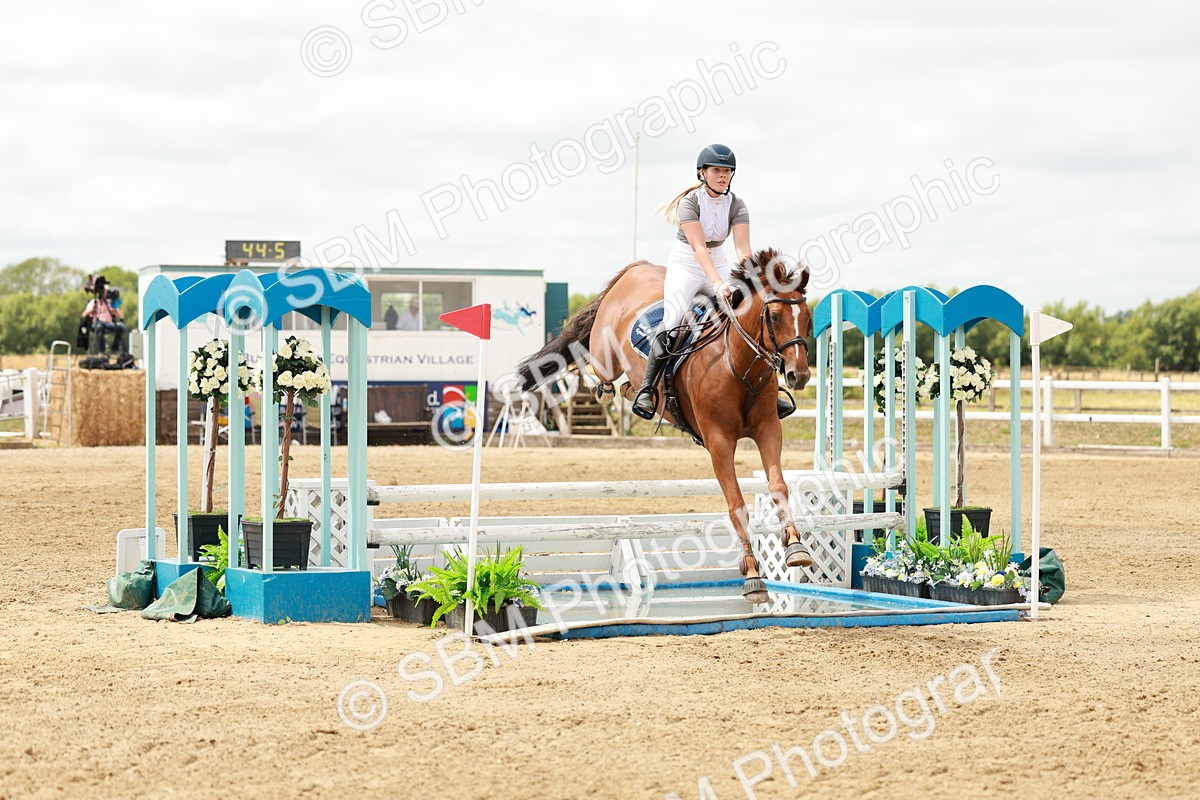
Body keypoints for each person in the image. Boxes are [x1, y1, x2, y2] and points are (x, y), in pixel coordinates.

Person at [631, 143, 751, 420]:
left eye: (727, 171)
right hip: (686, 264)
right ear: (702, 173)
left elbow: (743, 249)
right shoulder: (690, 203)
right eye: (717, 170)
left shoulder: (737, 204)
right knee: (673, 320)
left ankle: (765, 391)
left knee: (747, 313)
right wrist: (718, 284)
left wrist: (750, 280)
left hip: (719, 260)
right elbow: (698, 249)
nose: (723, 176)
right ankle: (647, 389)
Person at [83, 286, 128, 355]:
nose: (106, 293)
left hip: (109, 324)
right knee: (100, 326)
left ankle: (114, 349)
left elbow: (121, 316)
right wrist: (92, 309)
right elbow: (84, 314)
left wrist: (115, 310)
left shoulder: (111, 303)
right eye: (104, 291)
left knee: (121, 326)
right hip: (97, 324)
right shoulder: (94, 302)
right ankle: (101, 351)